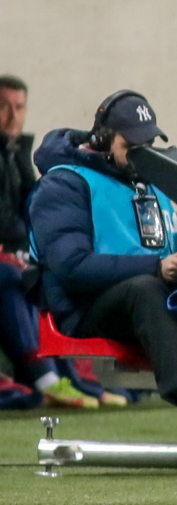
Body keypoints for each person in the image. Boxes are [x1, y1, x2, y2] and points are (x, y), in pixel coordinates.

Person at [29, 93, 177, 466]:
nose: (141, 154)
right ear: (101, 139)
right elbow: (72, 267)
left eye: (147, 145)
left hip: (151, 294)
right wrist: (155, 268)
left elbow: (167, 248)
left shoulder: (153, 181)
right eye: (131, 145)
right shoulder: (64, 184)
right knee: (145, 290)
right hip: (86, 307)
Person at [0, 77, 114, 411]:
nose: (12, 115)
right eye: (4, 106)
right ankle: (45, 378)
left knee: (50, 276)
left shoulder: (17, 153)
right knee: (15, 278)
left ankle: (74, 378)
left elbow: (35, 208)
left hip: (13, 251)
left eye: (19, 107)